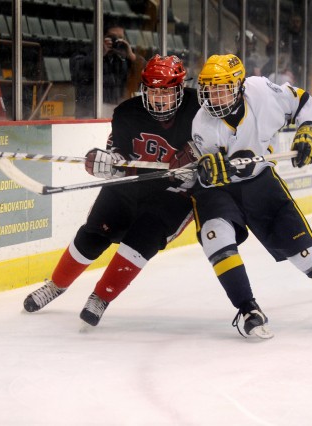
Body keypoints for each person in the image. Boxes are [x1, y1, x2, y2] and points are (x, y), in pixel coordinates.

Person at [191, 54, 312, 338]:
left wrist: (309, 128)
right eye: (209, 89)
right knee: (217, 236)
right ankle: (247, 308)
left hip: (261, 182)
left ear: (239, 85)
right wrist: (211, 167)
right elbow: (212, 171)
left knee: (304, 251)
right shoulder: (203, 124)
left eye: (222, 88)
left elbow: (301, 100)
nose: (214, 96)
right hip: (221, 190)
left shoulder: (262, 92)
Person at [23, 55, 200, 326]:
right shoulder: (128, 112)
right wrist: (107, 162)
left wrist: (201, 156)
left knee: (142, 239)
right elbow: (119, 153)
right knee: (94, 233)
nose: (159, 98)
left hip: (175, 192)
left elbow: (224, 139)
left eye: (166, 91)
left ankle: (100, 297)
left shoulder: (199, 108)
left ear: (179, 89)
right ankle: (56, 285)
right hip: (133, 183)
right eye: (153, 91)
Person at [70, 24, 143, 118]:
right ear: (101, 37)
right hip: (91, 110)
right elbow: (77, 72)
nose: (116, 41)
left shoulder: (122, 57)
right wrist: (100, 53)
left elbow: (145, 73)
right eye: (112, 37)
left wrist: (131, 55)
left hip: (116, 107)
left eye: (120, 38)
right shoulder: (85, 52)